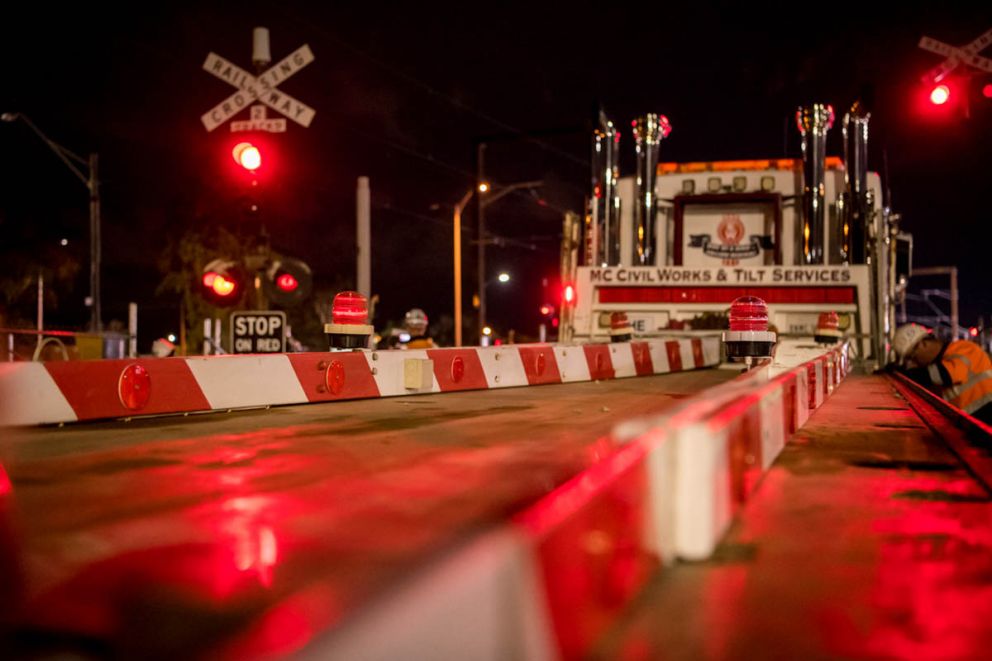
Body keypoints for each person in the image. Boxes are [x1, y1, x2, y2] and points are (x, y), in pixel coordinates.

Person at [893, 323, 992, 425]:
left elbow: (946, 374)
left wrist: (908, 374)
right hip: (972, 424)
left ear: (923, 344)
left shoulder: (964, 348)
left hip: (987, 415)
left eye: (912, 357)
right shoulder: (942, 362)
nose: (914, 362)